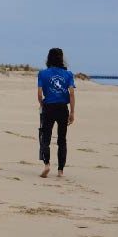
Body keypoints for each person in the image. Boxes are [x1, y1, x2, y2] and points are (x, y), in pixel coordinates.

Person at [37, 47, 76, 178]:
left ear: (49, 58)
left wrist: (42, 104)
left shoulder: (43, 73)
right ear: (61, 58)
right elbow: (71, 94)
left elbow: (39, 94)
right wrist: (72, 112)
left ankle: (47, 164)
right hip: (62, 108)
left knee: (45, 137)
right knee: (62, 139)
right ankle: (60, 170)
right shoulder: (68, 74)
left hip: (49, 107)